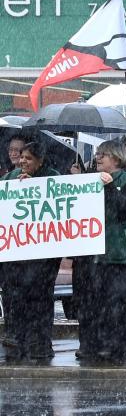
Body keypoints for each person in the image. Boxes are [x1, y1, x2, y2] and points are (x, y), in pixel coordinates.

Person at [1, 142, 62, 360]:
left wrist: (35, 186)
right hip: (16, 254)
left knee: (41, 299)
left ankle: (41, 343)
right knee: (17, 298)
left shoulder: (53, 177)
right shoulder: (10, 178)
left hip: (43, 256)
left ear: (40, 161)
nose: (23, 162)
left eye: (28, 158)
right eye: (21, 158)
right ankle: (19, 338)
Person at [90, 140, 126, 360]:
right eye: (97, 154)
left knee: (119, 302)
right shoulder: (93, 180)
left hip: (123, 254)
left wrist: (110, 187)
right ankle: (105, 342)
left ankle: (119, 344)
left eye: (102, 154)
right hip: (102, 254)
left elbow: (124, 211)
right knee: (103, 301)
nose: (98, 158)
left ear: (115, 157)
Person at [0, 133, 29, 347]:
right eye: (11, 150)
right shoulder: (6, 176)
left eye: (18, 151)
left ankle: (20, 333)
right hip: (9, 245)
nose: (13, 154)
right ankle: (11, 329)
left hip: (23, 247)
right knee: (9, 291)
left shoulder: (32, 176)